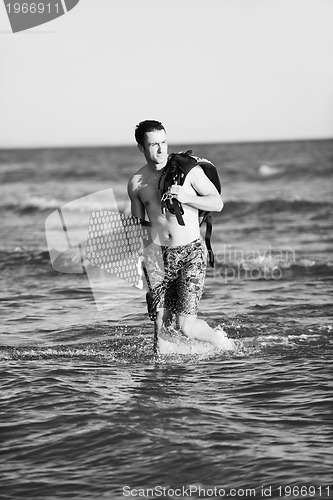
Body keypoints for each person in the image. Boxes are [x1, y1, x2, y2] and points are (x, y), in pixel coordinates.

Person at [127, 120, 228, 349]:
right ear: (141, 148)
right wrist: (138, 261)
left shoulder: (188, 171)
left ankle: (219, 341)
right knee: (161, 334)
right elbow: (138, 227)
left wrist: (185, 196)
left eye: (164, 142)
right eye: (154, 144)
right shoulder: (135, 184)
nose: (161, 149)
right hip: (158, 258)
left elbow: (217, 203)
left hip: (190, 253)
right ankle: (163, 377)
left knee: (185, 326)